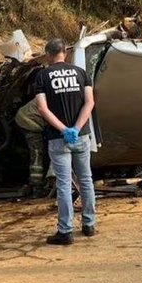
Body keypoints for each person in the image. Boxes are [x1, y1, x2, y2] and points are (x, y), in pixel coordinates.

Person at [34, 38, 97, 245]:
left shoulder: (43, 76)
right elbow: (90, 102)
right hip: (82, 135)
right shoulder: (81, 73)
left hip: (58, 138)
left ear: (48, 55)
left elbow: (43, 109)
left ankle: (66, 231)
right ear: (65, 53)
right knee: (86, 179)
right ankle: (89, 224)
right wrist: (77, 128)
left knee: (63, 184)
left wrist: (63, 130)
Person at [15, 99, 47, 197]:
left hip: (25, 117)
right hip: (28, 121)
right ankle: (37, 188)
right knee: (37, 154)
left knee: (37, 154)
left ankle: (36, 185)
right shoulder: (56, 98)